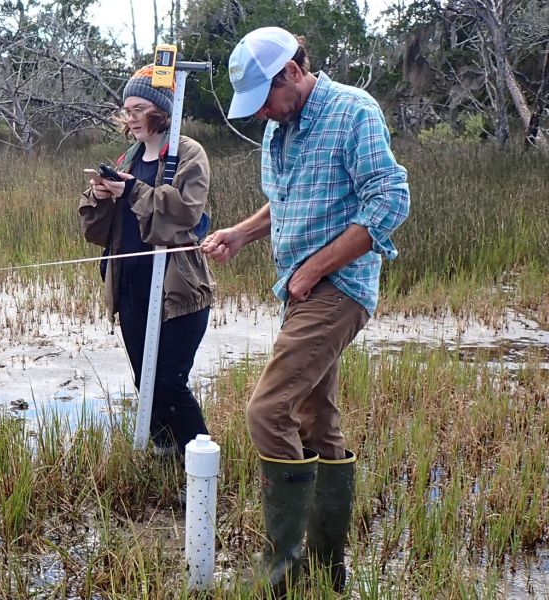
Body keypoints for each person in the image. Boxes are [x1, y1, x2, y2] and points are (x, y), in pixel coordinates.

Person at [200, 27, 411, 594]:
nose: (264, 113)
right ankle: (327, 568)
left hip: (337, 288)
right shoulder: (279, 130)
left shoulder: (352, 111)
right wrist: (240, 234)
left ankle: (285, 575)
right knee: (318, 417)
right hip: (297, 291)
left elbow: (390, 199)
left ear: (292, 72)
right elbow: (289, 199)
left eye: (266, 99)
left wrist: (316, 268)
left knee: (267, 412)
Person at [79, 65, 216, 456]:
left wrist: (133, 189)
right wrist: (102, 196)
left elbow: (185, 214)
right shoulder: (131, 155)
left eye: (140, 109)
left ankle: (201, 460)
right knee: (146, 379)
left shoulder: (188, 153)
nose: (131, 118)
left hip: (178, 289)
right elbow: (100, 231)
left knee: (168, 381)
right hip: (131, 287)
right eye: (127, 110)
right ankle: (165, 455)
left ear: (161, 111)